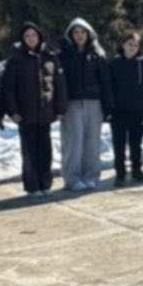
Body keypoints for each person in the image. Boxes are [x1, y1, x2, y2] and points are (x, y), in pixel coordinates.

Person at [1, 20, 65, 196]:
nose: (31, 38)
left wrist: (59, 109)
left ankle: (46, 183)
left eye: (34, 35)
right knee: (29, 152)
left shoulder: (50, 57)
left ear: (40, 37)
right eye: (27, 36)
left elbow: (58, 84)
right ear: (22, 39)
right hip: (25, 114)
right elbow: (9, 88)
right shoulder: (16, 59)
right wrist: (13, 111)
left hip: (46, 112)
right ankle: (32, 186)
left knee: (45, 150)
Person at [60, 17, 112, 191]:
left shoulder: (98, 54)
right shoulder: (64, 54)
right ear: (70, 35)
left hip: (94, 102)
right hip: (72, 103)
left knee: (92, 142)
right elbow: (59, 82)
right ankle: (72, 178)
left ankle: (91, 177)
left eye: (83, 32)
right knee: (74, 142)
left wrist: (108, 107)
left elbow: (105, 81)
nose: (80, 35)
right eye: (76, 32)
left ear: (89, 34)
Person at [109, 31, 143, 184]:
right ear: (123, 45)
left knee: (136, 143)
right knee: (119, 144)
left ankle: (137, 171)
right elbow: (109, 87)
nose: (132, 48)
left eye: (135, 45)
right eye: (129, 44)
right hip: (119, 111)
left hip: (138, 110)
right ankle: (120, 173)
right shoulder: (114, 64)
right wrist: (110, 109)